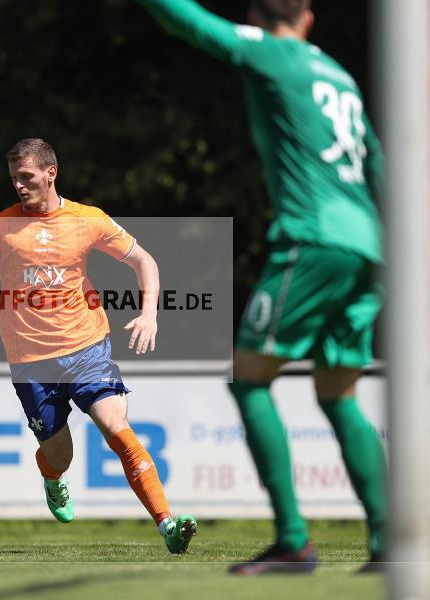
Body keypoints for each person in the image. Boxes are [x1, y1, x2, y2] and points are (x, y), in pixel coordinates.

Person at [135, 0, 387, 574]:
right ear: (309, 16)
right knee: (339, 394)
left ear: (255, 14)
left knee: (249, 379)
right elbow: (377, 164)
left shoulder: (270, 53)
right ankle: (389, 540)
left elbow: (189, 22)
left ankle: (294, 540)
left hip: (314, 239)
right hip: (369, 246)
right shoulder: (340, 76)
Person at [0, 138, 197, 554]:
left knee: (116, 429)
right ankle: (52, 476)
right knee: (61, 456)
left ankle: (167, 524)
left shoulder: (87, 219)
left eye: (26, 177)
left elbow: (144, 261)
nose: (18, 185)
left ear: (50, 173)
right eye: (14, 178)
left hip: (87, 348)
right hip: (30, 362)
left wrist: (149, 314)